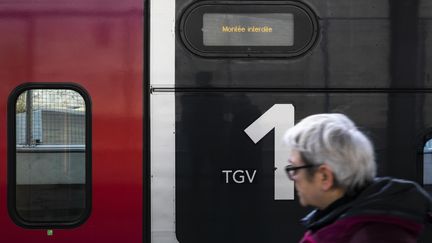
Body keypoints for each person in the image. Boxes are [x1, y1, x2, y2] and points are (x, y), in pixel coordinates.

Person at [283, 113, 432, 243]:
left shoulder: (373, 237)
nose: (293, 177)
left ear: (324, 176)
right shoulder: (340, 223)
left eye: (295, 169)